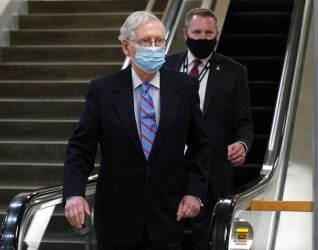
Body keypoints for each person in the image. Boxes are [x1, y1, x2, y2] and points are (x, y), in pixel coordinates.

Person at [63, 11, 210, 250]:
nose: (154, 47)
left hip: (168, 217)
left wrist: (194, 192)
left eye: (159, 40)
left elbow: (200, 146)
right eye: (145, 41)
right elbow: (80, 149)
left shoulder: (184, 88)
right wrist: (74, 194)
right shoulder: (102, 91)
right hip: (115, 220)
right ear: (126, 47)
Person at [164, 8, 253, 250]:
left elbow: (243, 122)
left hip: (211, 173)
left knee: (208, 241)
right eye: (197, 32)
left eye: (208, 33)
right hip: (166, 172)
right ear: (185, 33)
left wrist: (242, 144)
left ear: (217, 33)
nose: (203, 37)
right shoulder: (164, 67)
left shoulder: (235, 72)